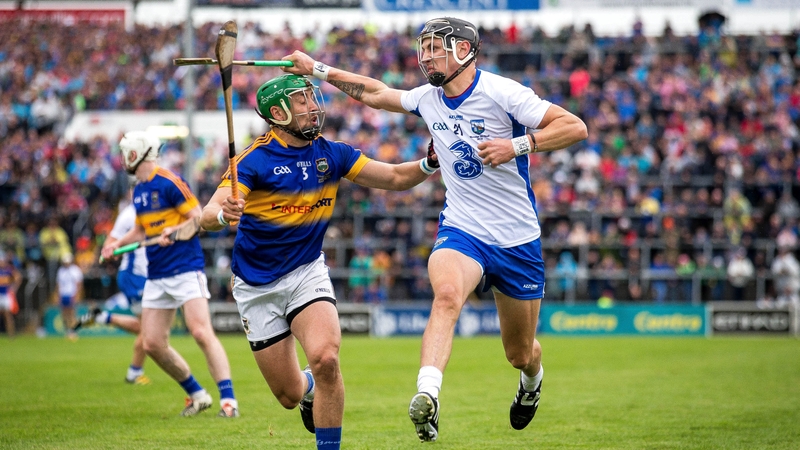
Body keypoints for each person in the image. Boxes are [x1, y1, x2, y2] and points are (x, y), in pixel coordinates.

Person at [282, 16, 588, 442]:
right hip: (463, 228)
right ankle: (428, 396)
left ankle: (532, 383)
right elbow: (374, 92)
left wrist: (517, 144)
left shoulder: (502, 92)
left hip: (517, 238)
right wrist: (317, 68)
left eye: (435, 48)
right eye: (422, 48)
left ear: (464, 50)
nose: (425, 57)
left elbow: (575, 126)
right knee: (446, 297)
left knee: (520, 353)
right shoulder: (427, 98)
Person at [200, 74, 435, 450]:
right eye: (303, 102)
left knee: (326, 359)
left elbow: (392, 176)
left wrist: (428, 163)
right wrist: (224, 214)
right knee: (289, 395)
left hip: (307, 272)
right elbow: (207, 215)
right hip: (256, 286)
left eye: (312, 98)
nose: (314, 108)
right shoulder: (254, 160)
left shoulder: (332, 153)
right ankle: (307, 388)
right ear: (277, 113)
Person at [100, 130, 239, 418]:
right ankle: (197, 395)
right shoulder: (138, 190)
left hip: (186, 268)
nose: (123, 157)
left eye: (125, 152)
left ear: (135, 153)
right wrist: (116, 245)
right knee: (152, 343)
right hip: (157, 273)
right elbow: (140, 230)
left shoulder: (171, 182)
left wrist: (173, 233)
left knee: (200, 331)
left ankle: (228, 401)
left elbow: (198, 219)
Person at [75, 189, 151, 385]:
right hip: (135, 276)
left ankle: (102, 316)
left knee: (150, 330)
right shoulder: (129, 213)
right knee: (149, 330)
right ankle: (134, 373)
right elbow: (111, 241)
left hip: (147, 276)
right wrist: (111, 251)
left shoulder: (153, 208)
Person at [56, 252, 83, 341]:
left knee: (72, 314)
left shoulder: (75, 270)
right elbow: (59, 285)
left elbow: (78, 284)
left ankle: (73, 331)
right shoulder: (61, 271)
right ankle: (68, 330)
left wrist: (77, 295)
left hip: (71, 294)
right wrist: (58, 295)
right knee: (65, 314)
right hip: (64, 294)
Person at [0, 251, 22, 338]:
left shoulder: (8, 270)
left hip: (5, 295)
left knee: (8, 315)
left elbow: (18, 277)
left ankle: (11, 334)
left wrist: (14, 288)